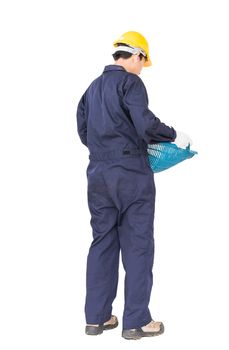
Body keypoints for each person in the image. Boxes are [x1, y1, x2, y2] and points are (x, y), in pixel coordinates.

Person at [76, 31, 192, 340]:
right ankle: (136, 322)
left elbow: (83, 130)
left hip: (98, 173)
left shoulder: (92, 88)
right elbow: (144, 123)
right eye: (143, 61)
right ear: (136, 56)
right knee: (138, 245)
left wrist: (106, 150)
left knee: (102, 241)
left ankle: (97, 319)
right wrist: (173, 134)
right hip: (131, 173)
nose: (143, 68)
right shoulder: (131, 83)